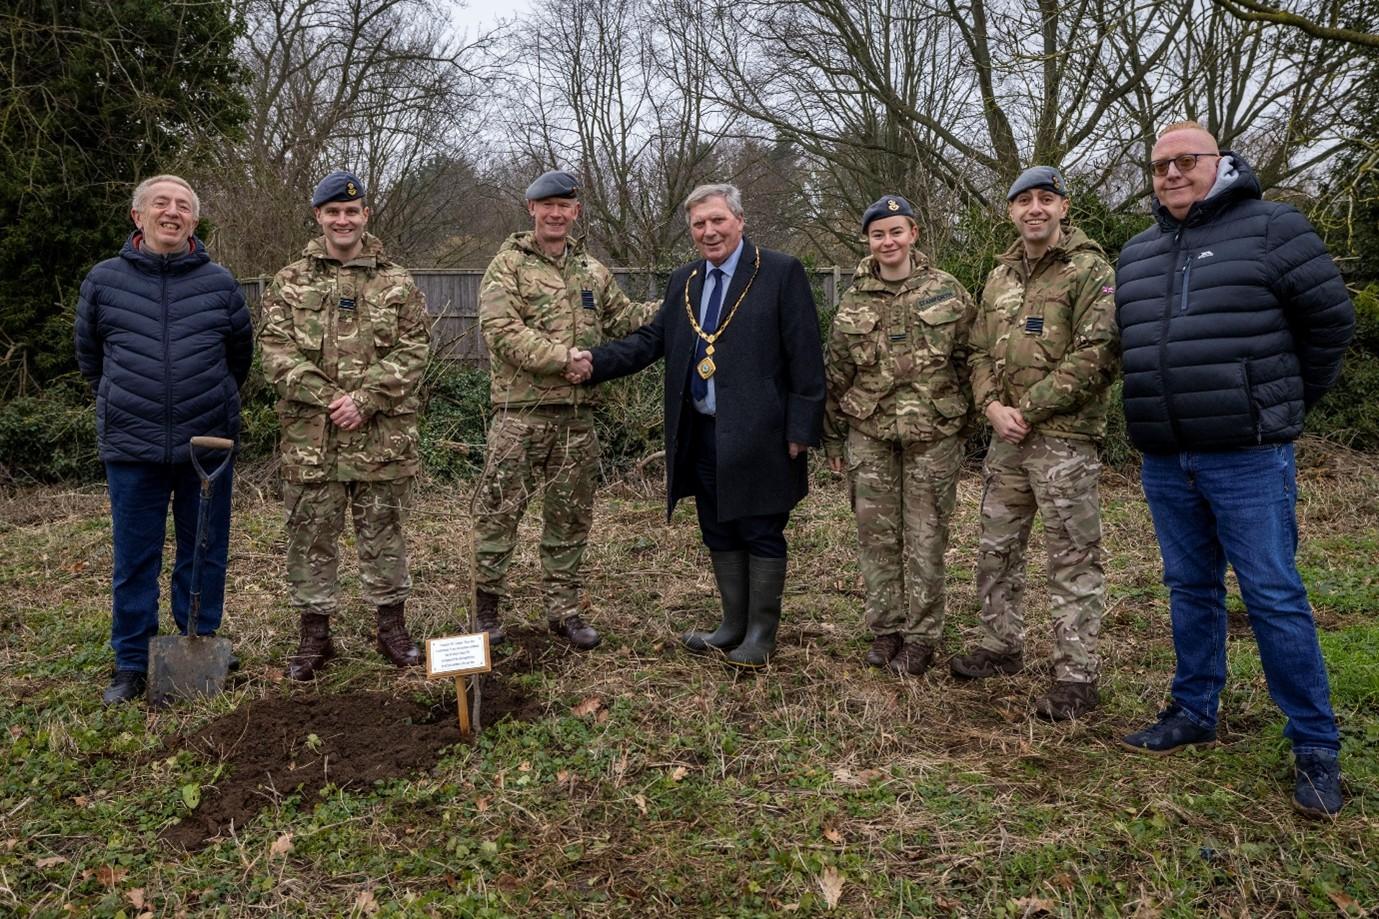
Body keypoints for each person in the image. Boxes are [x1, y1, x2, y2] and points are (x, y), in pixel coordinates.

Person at [1115, 121, 1355, 816]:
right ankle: (1194, 709)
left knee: (1272, 594)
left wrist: (1277, 404)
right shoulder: (1137, 252)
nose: (1170, 174)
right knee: (1189, 587)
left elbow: (1330, 323)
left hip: (1247, 455)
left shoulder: (1274, 228)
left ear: (1219, 163)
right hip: (1166, 457)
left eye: (1185, 161)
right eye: (1159, 165)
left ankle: (1315, 744)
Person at [572, 183, 825, 668]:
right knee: (717, 525)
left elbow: (806, 354)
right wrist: (594, 362)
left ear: (739, 220)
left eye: (718, 220)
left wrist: (801, 428)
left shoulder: (779, 271)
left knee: (760, 527)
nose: (709, 231)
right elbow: (651, 340)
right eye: (699, 224)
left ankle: (761, 634)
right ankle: (732, 625)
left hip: (763, 432)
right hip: (702, 431)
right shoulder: (684, 280)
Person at [948, 166, 1120, 721]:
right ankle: (1001, 644)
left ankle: (1076, 674)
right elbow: (977, 351)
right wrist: (992, 408)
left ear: (1064, 207)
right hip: (1007, 441)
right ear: (1011, 212)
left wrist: (1029, 408)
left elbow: (1098, 352)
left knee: (1072, 554)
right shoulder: (999, 277)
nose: (1035, 209)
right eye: (1024, 201)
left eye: (1046, 199)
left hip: (1064, 439)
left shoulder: (1090, 270)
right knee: (997, 548)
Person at [75, 175, 253, 704]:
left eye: (183, 206)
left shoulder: (220, 283)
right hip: (133, 444)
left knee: (205, 550)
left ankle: (199, 640)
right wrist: (126, 399)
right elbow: (90, 358)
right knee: (135, 557)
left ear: (194, 221)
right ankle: (132, 661)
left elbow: (239, 357)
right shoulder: (104, 281)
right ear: (139, 216)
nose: (172, 212)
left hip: (206, 445)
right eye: (161, 203)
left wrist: (211, 403)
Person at [258, 170, 430, 680]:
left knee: (384, 534)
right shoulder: (290, 281)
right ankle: (315, 637)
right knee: (311, 536)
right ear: (318, 216)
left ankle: (391, 629)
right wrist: (332, 398)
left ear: (365, 215)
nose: (342, 220)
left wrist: (366, 399)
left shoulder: (396, 281)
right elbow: (274, 351)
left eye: (351, 211)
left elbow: (415, 348)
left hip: (381, 438)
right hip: (313, 440)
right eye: (332, 212)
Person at [473, 169, 655, 650]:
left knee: (570, 519)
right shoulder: (507, 266)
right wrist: (563, 359)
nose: (556, 214)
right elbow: (501, 331)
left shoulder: (592, 270)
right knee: (499, 513)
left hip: (577, 419)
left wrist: (681, 300)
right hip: (520, 416)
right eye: (547, 205)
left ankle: (564, 611)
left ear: (576, 211)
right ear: (531, 209)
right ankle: (486, 610)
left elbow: (626, 318)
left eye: (565, 206)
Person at [822, 195, 976, 676]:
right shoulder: (853, 299)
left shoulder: (946, 290)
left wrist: (966, 424)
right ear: (867, 241)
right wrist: (831, 439)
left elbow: (972, 359)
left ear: (913, 234)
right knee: (876, 538)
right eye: (878, 234)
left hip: (934, 434)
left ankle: (922, 637)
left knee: (927, 539)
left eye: (895, 232)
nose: (887, 242)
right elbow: (836, 373)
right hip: (870, 433)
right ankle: (886, 628)